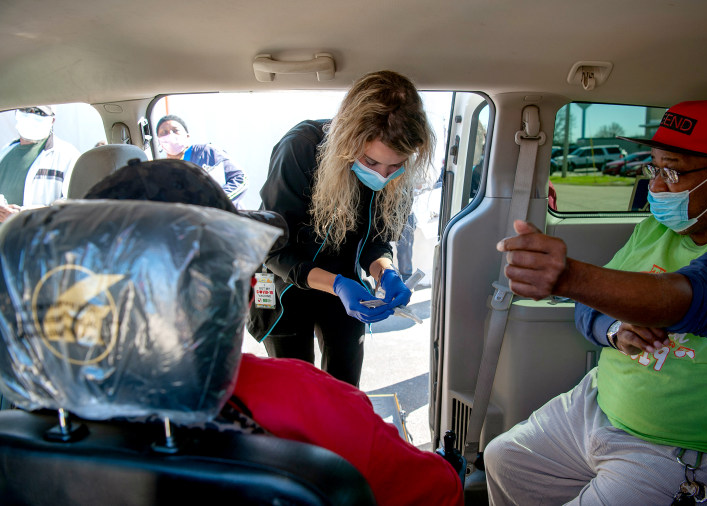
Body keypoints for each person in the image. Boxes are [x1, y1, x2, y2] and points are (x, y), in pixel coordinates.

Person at [82, 158, 464, 506]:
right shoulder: (309, 400)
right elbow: (441, 492)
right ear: (243, 292)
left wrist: (382, 267)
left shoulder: (40, 403)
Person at [484, 97, 707, 504]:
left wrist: (569, 277)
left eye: (673, 171)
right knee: (504, 458)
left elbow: (695, 298)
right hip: (595, 408)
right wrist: (613, 328)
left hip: (684, 452)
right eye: (653, 167)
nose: (656, 186)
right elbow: (593, 304)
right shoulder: (658, 229)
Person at [250, 70, 434, 386]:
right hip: (284, 282)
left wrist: (385, 272)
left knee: (345, 383)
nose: (383, 175)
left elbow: (376, 242)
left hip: (345, 283)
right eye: (372, 162)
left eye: (395, 165)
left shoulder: (394, 178)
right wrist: (337, 285)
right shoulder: (301, 148)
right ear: (348, 141)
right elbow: (272, 249)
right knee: (296, 388)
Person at [0, 105, 80, 222]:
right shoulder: (5, 152)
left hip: (37, 238)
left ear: (52, 120)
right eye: (25, 110)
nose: (30, 115)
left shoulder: (68, 156)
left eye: (39, 112)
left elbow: (74, 207)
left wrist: (23, 216)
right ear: (16, 113)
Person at [155, 114, 248, 207]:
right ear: (159, 141)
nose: (170, 135)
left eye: (175, 130)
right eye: (164, 132)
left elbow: (240, 178)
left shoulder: (207, 152)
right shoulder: (160, 171)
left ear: (187, 136)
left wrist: (217, 201)